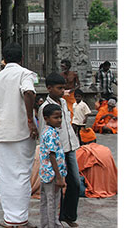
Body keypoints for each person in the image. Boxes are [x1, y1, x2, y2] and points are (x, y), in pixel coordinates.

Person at [0, 43, 38, 228]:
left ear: (4, 59)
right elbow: (29, 92)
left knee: (6, 175)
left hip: (2, 132)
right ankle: (19, 218)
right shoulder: (25, 74)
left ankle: (10, 218)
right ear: (21, 58)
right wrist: (30, 119)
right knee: (22, 174)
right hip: (22, 131)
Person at [38, 72, 81, 228]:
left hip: (70, 147)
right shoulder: (45, 108)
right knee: (56, 188)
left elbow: (67, 124)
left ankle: (68, 215)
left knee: (75, 182)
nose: (62, 91)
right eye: (59, 88)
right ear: (49, 88)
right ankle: (53, 221)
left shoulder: (63, 103)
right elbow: (44, 133)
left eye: (63, 88)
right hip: (57, 151)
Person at [39, 104, 68, 228]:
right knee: (52, 202)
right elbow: (52, 156)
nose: (59, 120)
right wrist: (59, 177)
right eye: (56, 117)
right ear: (46, 118)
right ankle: (52, 224)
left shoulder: (48, 131)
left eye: (60, 117)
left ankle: (46, 224)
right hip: (52, 173)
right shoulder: (50, 134)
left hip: (46, 173)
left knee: (46, 201)